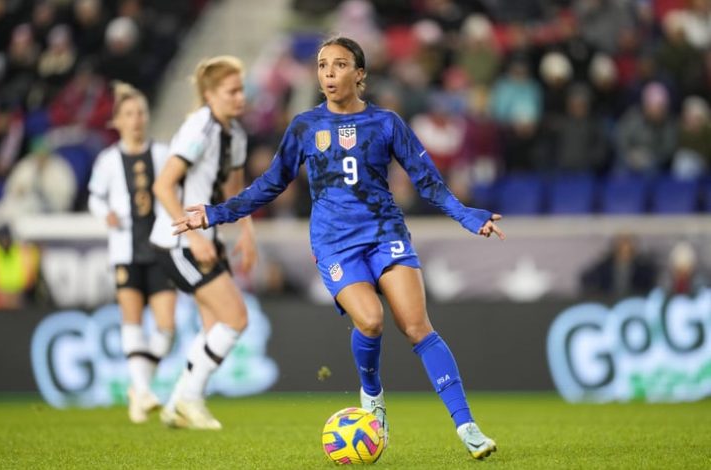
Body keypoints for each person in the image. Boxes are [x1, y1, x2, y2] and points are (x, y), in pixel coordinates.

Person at [173, 37, 503, 459]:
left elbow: (427, 181)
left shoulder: (387, 123)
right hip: (335, 243)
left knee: (418, 327)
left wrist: (465, 215)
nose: (328, 73)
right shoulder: (305, 127)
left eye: (340, 65)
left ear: (359, 74)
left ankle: (467, 427)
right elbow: (271, 184)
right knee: (370, 321)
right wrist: (215, 213)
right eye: (323, 65)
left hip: (386, 234)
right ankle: (373, 397)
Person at [151, 55, 256, 430]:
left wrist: (246, 230)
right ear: (210, 94)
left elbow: (235, 189)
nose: (240, 97)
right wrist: (194, 236)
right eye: (232, 91)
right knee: (236, 318)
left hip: (207, 241)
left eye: (242, 89)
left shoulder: (236, 135)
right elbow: (162, 185)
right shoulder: (199, 128)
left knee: (215, 325)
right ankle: (189, 399)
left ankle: (178, 403)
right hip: (178, 241)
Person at [87, 81, 177, 424]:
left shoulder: (163, 154)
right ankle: (141, 392)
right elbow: (95, 196)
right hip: (125, 249)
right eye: (129, 114)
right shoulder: (108, 160)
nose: (137, 119)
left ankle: (139, 389)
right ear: (117, 121)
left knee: (167, 329)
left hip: (159, 248)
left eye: (141, 112)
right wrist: (104, 213)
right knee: (132, 320)